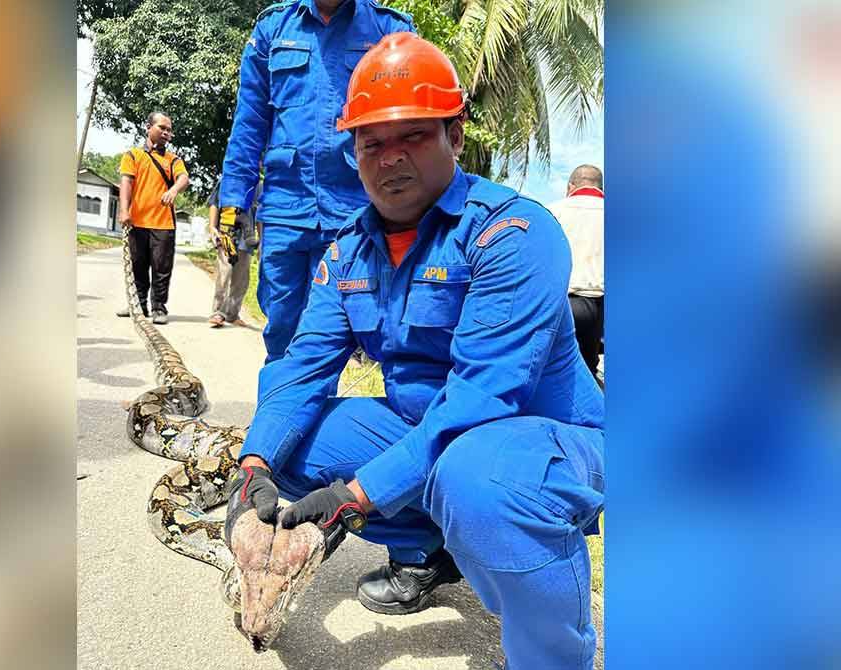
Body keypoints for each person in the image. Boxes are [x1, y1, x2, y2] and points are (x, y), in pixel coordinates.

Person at [224, 34, 605, 670]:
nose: (390, 158)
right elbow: (301, 367)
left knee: (478, 477)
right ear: (353, 152)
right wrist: (251, 468)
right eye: (373, 141)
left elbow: (483, 400)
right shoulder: (349, 251)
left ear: (455, 138)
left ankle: (550, 653)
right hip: (434, 441)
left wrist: (359, 494)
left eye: (414, 136)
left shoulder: (513, 233)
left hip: (540, 444)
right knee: (300, 438)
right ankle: (436, 551)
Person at [217, 0, 415, 362]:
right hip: (284, 209)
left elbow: (410, 123)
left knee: (338, 334)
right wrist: (234, 202)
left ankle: (324, 417)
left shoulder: (391, 31)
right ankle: (279, 415)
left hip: (356, 211)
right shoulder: (272, 29)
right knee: (282, 329)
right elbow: (248, 125)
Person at [115, 112, 190, 325]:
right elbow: (126, 183)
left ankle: (159, 307)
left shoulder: (173, 160)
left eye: (169, 130)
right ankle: (138, 305)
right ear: (148, 127)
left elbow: (184, 178)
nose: (166, 133)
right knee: (138, 266)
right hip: (137, 222)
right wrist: (124, 210)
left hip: (164, 224)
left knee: (161, 268)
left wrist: (174, 190)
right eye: (162, 128)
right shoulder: (133, 156)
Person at [548, 165, 604, 376]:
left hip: (561, 303)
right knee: (588, 373)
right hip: (602, 307)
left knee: (555, 373)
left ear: (570, 186)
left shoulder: (553, 210)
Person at [207, 176, 262, 327]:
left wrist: (261, 239)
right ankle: (218, 312)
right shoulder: (227, 179)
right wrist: (212, 227)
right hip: (226, 234)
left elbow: (259, 214)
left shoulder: (257, 184)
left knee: (241, 279)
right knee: (224, 273)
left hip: (246, 238)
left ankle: (232, 314)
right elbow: (214, 203)